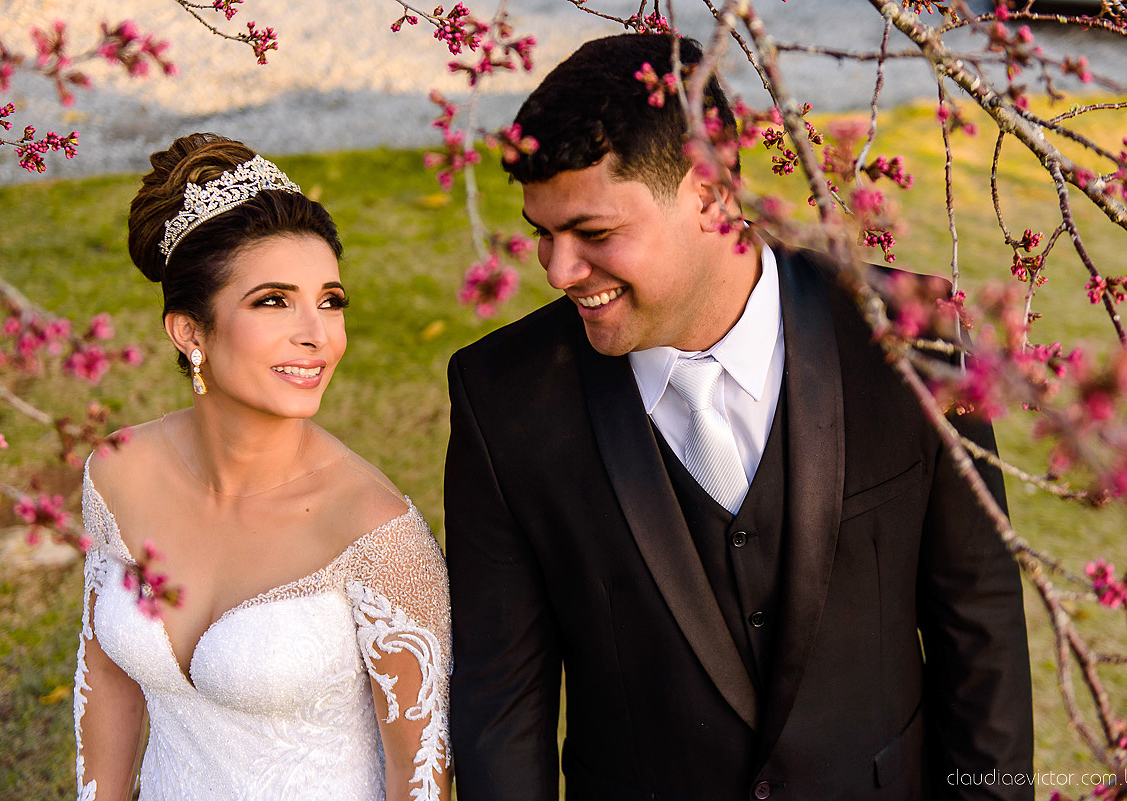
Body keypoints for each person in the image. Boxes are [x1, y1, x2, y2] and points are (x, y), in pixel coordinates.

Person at [444, 33, 1032, 801]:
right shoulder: (503, 398)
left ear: (714, 194)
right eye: (542, 235)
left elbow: (979, 627)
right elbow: (501, 706)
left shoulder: (912, 338)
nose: (558, 272)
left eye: (593, 234)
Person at [73, 133, 451, 801]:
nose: (318, 334)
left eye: (330, 300)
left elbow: (419, 780)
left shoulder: (376, 533)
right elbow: (106, 671)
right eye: (274, 300)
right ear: (190, 332)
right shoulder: (117, 472)